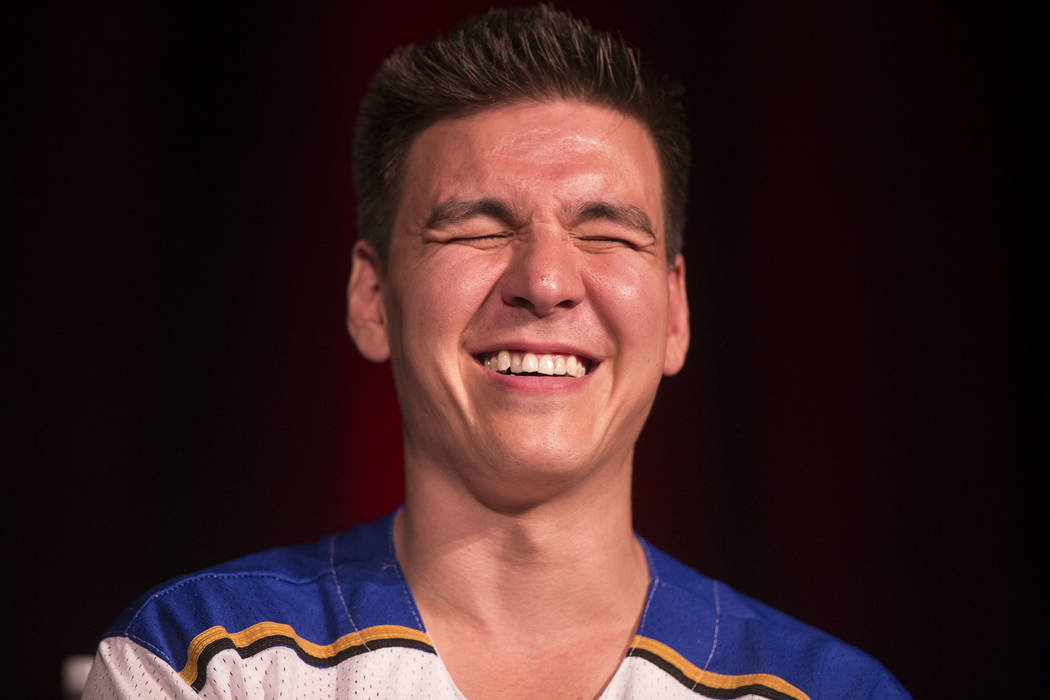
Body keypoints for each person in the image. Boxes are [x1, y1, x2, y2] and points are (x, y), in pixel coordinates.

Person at [84, 6, 909, 698]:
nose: (545, 280)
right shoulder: (201, 664)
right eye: (478, 229)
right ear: (372, 298)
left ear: (676, 313)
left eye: (607, 233)